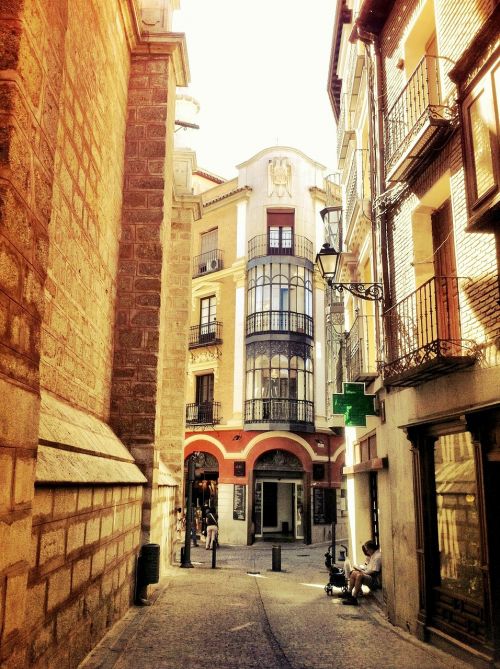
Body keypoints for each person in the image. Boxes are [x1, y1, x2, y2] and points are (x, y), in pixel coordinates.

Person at [340, 540, 381, 606]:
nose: (367, 552)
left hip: (374, 580)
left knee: (359, 575)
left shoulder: (377, 557)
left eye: (367, 550)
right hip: (369, 574)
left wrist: (363, 571)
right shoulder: (373, 555)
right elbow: (369, 567)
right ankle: (349, 593)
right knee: (354, 573)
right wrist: (362, 569)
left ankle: (354, 598)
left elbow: (374, 571)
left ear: (371, 549)